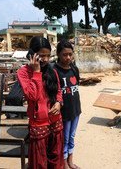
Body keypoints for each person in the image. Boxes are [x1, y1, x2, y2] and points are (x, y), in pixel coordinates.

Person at [17, 36, 64, 169]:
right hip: (39, 124)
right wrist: (36, 72)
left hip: (56, 121)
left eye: (48, 55)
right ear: (32, 54)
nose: (46, 59)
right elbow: (32, 95)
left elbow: (59, 91)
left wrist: (59, 103)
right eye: (42, 55)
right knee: (39, 163)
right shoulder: (23, 73)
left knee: (56, 159)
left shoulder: (52, 71)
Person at [54, 40, 81, 169]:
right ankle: (63, 162)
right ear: (58, 54)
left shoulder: (74, 69)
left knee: (71, 136)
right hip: (63, 112)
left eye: (70, 54)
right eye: (65, 54)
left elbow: (76, 86)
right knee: (64, 138)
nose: (68, 57)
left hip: (76, 110)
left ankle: (70, 160)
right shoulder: (54, 70)